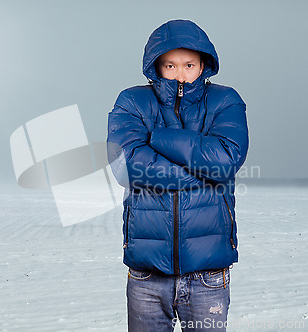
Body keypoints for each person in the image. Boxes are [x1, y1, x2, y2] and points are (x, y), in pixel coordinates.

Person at [106, 19, 249, 332]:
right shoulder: (132, 101)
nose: (180, 74)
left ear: (203, 65)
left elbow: (225, 160)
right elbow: (126, 166)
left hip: (208, 274)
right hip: (147, 275)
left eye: (188, 64)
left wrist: (157, 138)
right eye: (170, 65)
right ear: (156, 65)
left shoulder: (225, 101)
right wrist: (203, 173)